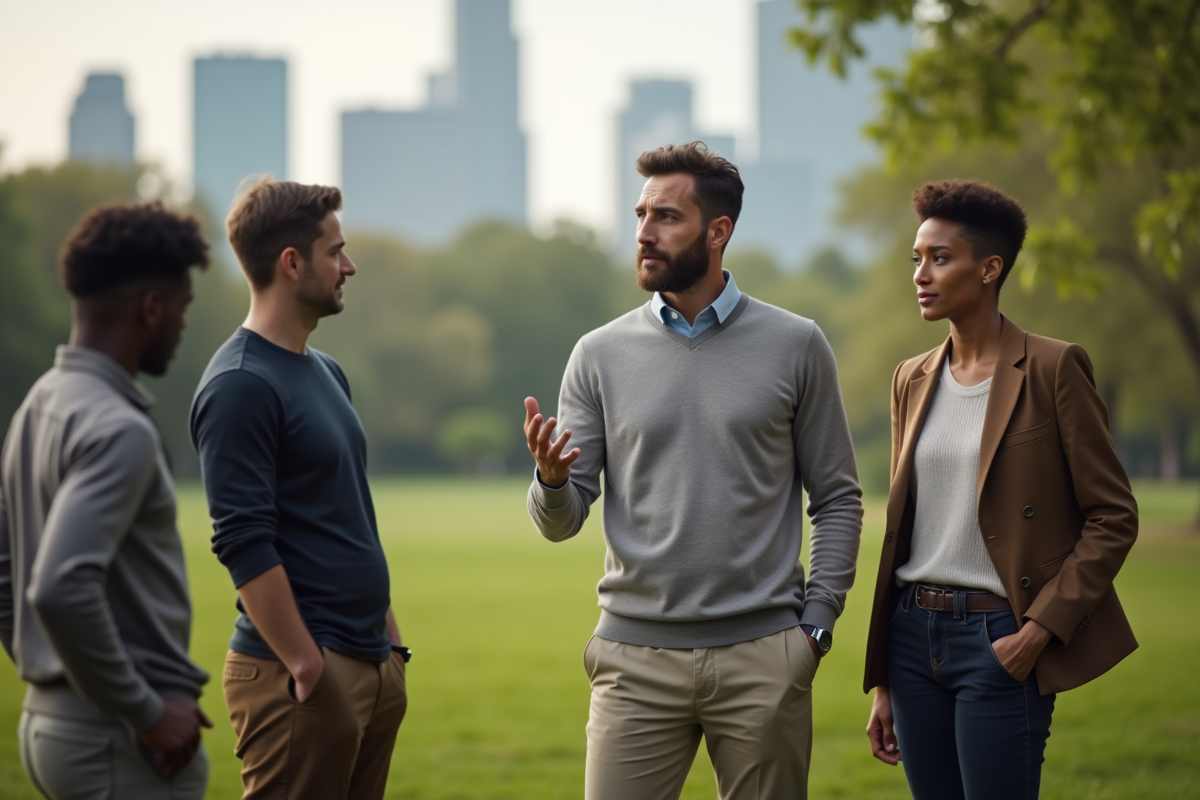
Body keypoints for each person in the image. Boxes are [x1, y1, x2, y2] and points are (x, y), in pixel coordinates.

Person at [524, 142, 863, 800]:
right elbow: (560, 526)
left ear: (718, 232)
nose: (645, 233)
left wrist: (814, 629)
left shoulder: (797, 345)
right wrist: (554, 482)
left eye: (667, 217)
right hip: (633, 662)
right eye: (640, 214)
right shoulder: (597, 355)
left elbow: (839, 499)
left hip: (765, 655)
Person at [862, 179, 1139, 800]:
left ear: (989, 268)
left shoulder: (1052, 367)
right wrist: (885, 681)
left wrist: (1039, 631)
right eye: (916, 259)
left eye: (940, 258)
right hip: (911, 639)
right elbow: (907, 526)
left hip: (999, 638)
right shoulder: (911, 377)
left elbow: (1113, 516)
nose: (921, 275)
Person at [189, 179, 408, 800]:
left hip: (368, 660)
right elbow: (242, 540)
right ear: (291, 263)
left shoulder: (326, 371)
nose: (349, 266)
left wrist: (388, 646)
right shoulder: (239, 385)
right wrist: (307, 664)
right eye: (335, 252)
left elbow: (350, 514)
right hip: (302, 675)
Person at [0, 202, 212, 798]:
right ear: (151, 307)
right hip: (117, 739)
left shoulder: (39, 403)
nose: (181, 324)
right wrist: (143, 709)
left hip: (51, 723)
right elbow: (59, 584)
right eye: (181, 308)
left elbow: (5, 571)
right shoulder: (119, 428)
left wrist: (47, 671)